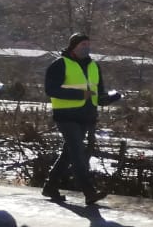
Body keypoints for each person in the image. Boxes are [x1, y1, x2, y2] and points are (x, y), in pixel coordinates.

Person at [42, 32, 121, 206]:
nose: (87, 47)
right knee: (78, 152)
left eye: (88, 44)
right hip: (66, 116)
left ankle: (50, 186)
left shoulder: (94, 66)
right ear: (73, 46)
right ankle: (89, 191)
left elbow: (98, 94)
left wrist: (110, 98)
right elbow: (51, 90)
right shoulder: (60, 64)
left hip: (86, 116)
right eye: (83, 44)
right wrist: (80, 94)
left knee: (69, 153)